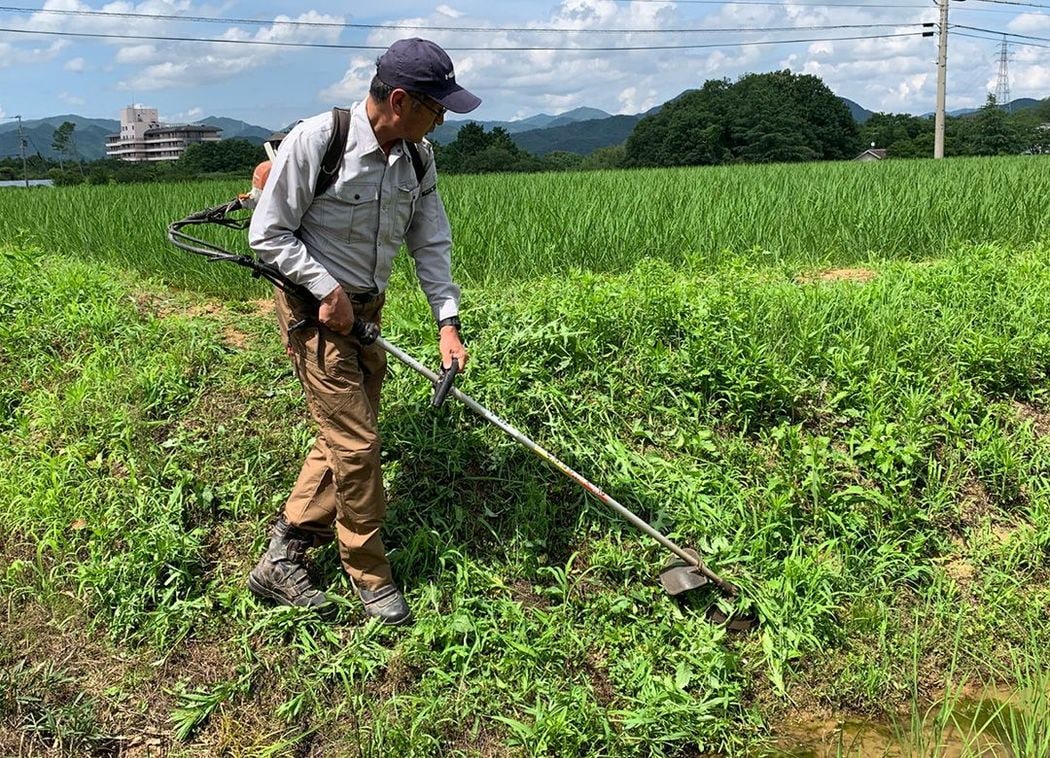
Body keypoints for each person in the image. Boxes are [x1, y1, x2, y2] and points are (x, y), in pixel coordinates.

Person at [246, 38, 480, 625]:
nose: (441, 121)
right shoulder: (318, 141)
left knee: (345, 435)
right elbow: (268, 234)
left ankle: (283, 555)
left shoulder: (417, 159)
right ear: (400, 101)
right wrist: (326, 289)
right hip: (315, 312)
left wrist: (447, 322)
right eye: (436, 108)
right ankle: (370, 574)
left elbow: (431, 242)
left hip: (367, 310)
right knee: (357, 446)